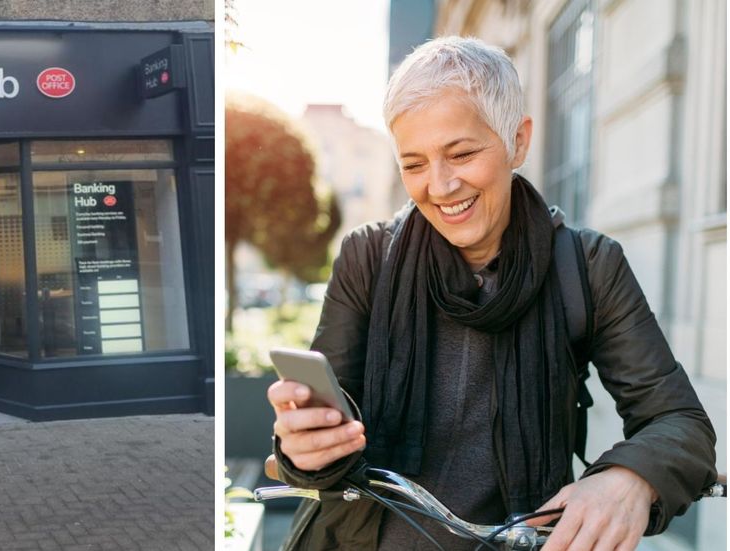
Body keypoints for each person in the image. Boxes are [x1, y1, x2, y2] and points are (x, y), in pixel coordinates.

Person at [267, 36, 717, 551]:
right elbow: (323, 430)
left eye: (461, 154)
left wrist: (630, 478)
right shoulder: (367, 258)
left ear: (518, 142)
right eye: (413, 164)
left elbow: (680, 422)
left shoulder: (589, 266)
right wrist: (303, 443)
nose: (438, 186)